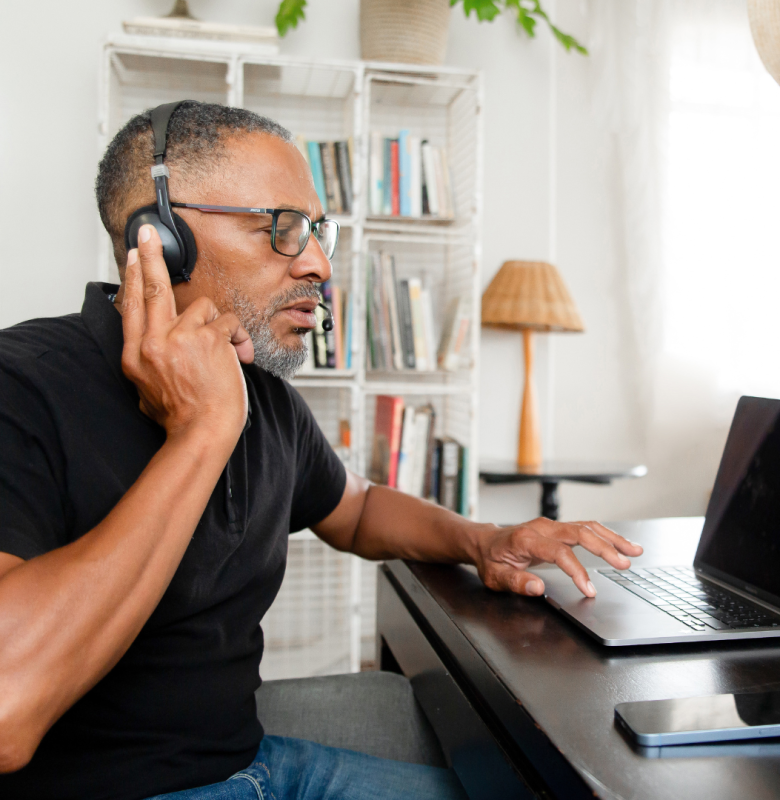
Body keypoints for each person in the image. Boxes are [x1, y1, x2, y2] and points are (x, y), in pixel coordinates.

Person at [0, 101, 643, 800]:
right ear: (160, 238)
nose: (317, 263)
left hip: (259, 770)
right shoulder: (21, 385)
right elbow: (8, 709)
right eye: (280, 228)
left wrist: (483, 541)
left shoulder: (263, 392)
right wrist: (201, 434)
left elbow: (355, 509)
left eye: (316, 232)